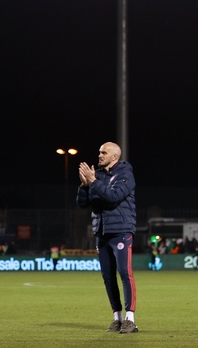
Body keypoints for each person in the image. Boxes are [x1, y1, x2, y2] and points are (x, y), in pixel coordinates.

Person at [77, 142, 138, 334]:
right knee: (108, 277)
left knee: (124, 273)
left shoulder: (125, 174)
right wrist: (84, 185)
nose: (100, 155)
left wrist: (93, 181)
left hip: (121, 231)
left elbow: (113, 197)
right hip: (101, 232)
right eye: (99, 152)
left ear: (115, 157)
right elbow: (83, 203)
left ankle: (130, 319)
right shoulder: (99, 175)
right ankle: (117, 318)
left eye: (104, 152)